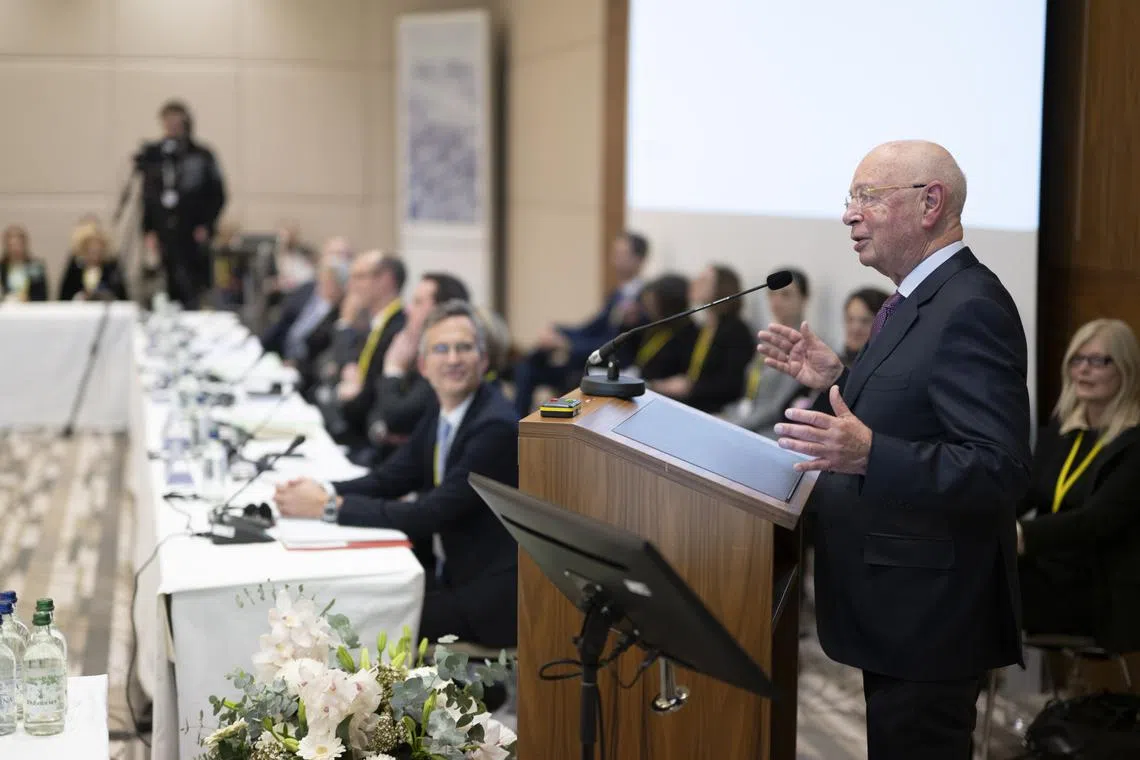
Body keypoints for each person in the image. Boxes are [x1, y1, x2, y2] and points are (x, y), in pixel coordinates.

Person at [757, 140, 1031, 760]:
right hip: (895, 609)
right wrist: (840, 377)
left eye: (868, 197)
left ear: (930, 202)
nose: (849, 214)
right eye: (850, 198)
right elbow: (919, 412)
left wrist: (870, 454)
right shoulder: (912, 300)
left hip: (931, 620)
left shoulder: (971, 306)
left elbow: (1001, 468)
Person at [274, 299, 519, 649]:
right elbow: (390, 478)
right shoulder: (445, 407)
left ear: (483, 359)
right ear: (423, 365)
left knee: (364, 619)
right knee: (349, 593)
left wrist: (328, 506)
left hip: (486, 598)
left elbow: (429, 513)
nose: (453, 359)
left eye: (464, 348)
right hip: (450, 573)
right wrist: (321, 488)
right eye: (441, 349)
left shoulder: (494, 426)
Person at [1017, 319, 1140, 652]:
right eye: (1077, 359)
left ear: (1126, 369)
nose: (1084, 369)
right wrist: (981, 518)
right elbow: (1025, 492)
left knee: (980, 586)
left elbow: (1095, 521)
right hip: (1046, 571)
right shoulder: (1062, 431)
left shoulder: (1133, 444)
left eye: (1098, 360)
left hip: (1097, 591)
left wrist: (1020, 534)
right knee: (969, 567)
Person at [511, 231, 649, 417]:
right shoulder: (617, 294)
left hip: (612, 366)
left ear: (639, 260)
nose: (615, 259)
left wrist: (567, 344)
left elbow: (614, 342)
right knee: (527, 368)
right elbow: (591, 328)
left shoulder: (645, 299)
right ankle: (517, 423)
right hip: (586, 357)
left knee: (567, 375)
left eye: (622, 254)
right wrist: (558, 331)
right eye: (615, 253)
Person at [365, 272, 470, 457]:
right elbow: (373, 408)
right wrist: (381, 431)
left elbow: (397, 417)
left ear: (441, 312)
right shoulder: (412, 349)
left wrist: (393, 369)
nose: (407, 310)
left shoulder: (447, 365)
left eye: (418, 302)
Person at [138, 99, 226, 310]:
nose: (171, 126)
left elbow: (218, 194)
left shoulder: (201, 155)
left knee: (192, 285)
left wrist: (206, 225)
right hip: (164, 231)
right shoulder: (155, 156)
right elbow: (147, 195)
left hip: (192, 232)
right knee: (164, 284)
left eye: (176, 121)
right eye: (167, 121)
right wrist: (148, 229)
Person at [650, 264, 754, 414]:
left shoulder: (736, 331)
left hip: (716, 410)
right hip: (692, 403)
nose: (695, 283)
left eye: (703, 281)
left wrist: (690, 387)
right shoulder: (703, 328)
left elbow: (731, 384)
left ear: (721, 289)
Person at [723, 269, 812, 436]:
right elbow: (750, 397)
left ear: (804, 299)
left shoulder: (805, 347)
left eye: (786, 295)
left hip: (772, 433)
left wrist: (735, 424)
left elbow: (777, 407)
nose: (777, 301)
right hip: (746, 423)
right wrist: (727, 415)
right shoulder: (766, 338)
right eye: (772, 295)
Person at [632, 273, 698, 382]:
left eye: (653, 302)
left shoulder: (689, 333)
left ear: (669, 303)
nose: (648, 308)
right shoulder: (656, 325)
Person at [58, 223, 128, 302]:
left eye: (99, 252)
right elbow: (64, 296)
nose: (95, 256)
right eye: (91, 252)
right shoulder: (75, 269)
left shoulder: (111, 270)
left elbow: (122, 296)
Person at [840, 287, 890, 366]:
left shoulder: (891, 368)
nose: (855, 328)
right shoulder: (833, 367)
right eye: (850, 319)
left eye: (865, 321)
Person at [0, 225, 49, 302]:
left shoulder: (35, 266)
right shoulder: (2, 267)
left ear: (24, 245)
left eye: (18, 245)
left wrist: (28, 299)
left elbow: (42, 295)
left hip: (30, 307)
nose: (15, 249)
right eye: (11, 245)